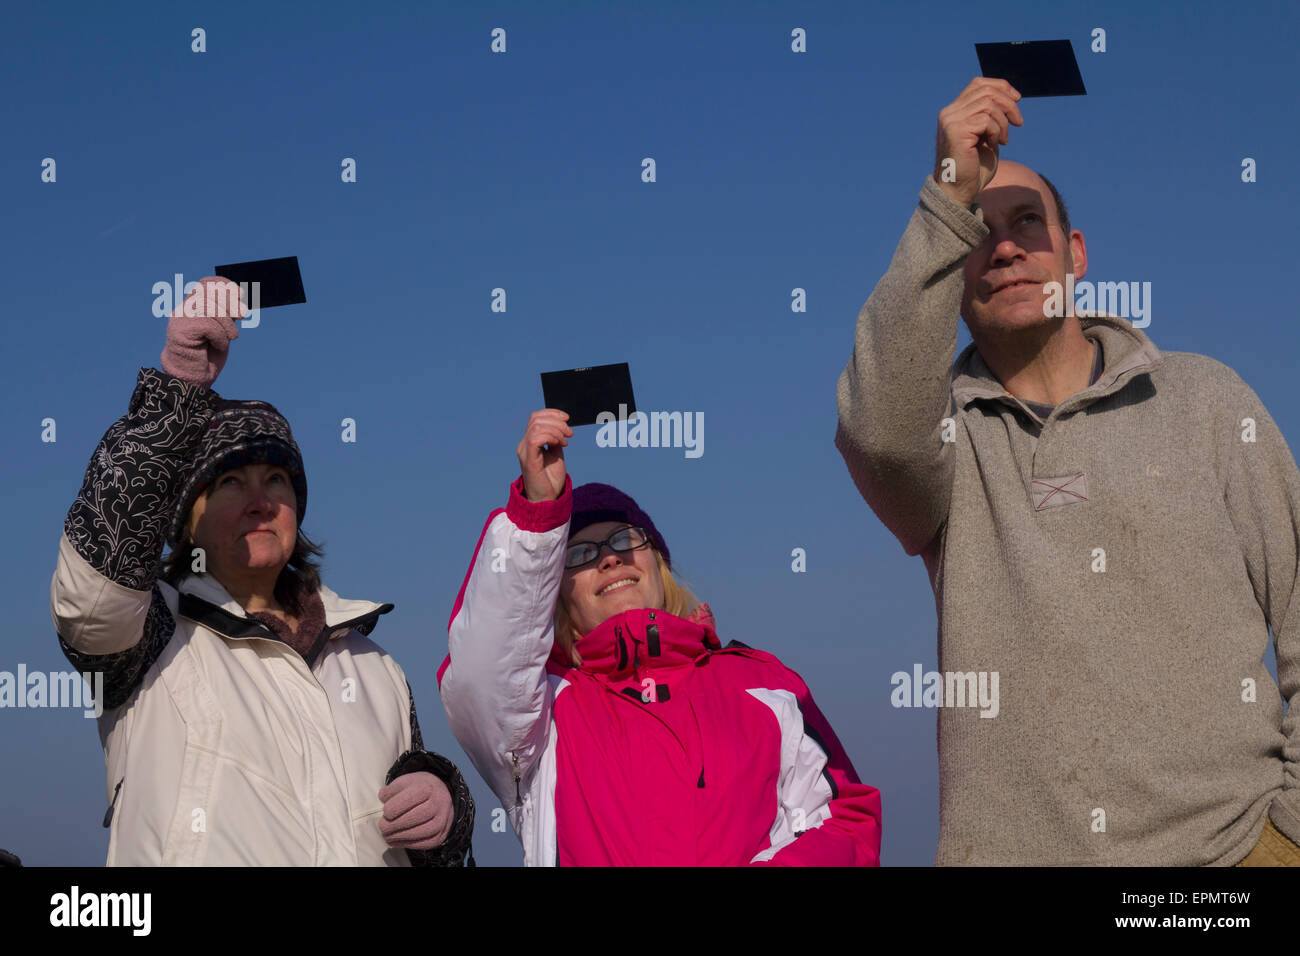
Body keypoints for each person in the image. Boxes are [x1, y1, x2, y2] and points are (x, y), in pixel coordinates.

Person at [835, 77, 1300, 865]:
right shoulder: (943, 438)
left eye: (1027, 224)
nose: (1007, 247)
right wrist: (948, 187)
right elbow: (874, 435)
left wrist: (1285, 831)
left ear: (1075, 253)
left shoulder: (1205, 398)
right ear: (952, 265)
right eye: (977, 232)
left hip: (1231, 859)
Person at [49, 277, 474, 866]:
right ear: (186, 521)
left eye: (276, 479)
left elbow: (428, 847)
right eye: (228, 483)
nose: (259, 500)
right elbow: (91, 593)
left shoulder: (377, 669)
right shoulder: (149, 637)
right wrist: (177, 390)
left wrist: (446, 812)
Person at [438, 408, 881, 866]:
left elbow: (843, 819)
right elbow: (481, 674)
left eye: (625, 539)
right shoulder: (542, 714)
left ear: (658, 564)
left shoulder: (762, 683)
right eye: (582, 553)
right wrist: (539, 516)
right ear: (559, 595)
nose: (610, 559)